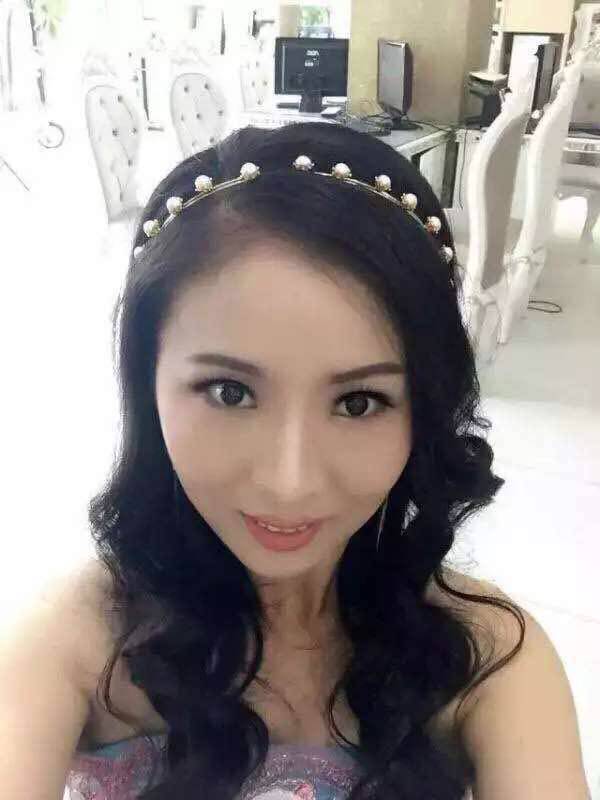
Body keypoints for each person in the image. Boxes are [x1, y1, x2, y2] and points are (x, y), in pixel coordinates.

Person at [0, 122, 590, 800]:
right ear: (147, 383)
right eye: (230, 392)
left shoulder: (488, 661)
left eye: (359, 402)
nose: (290, 481)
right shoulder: (72, 648)